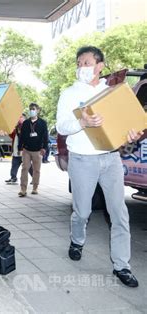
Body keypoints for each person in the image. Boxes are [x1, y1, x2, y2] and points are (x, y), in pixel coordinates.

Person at [56, 46, 143, 287]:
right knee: (82, 212)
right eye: (79, 63)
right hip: (82, 159)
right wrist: (82, 121)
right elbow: (61, 127)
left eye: (86, 62)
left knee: (119, 214)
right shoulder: (69, 93)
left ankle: (121, 265)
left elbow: (127, 127)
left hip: (111, 158)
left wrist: (132, 135)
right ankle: (77, 239)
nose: (82, 67)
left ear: (100, 66)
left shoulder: (112, 94)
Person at [18, 103, 48, 197]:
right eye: (30, 109)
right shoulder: (26, 123)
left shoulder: (42, 123)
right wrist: (20, 148)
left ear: (38, 110)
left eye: (34, 109)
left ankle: (35, 188)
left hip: (38, 150)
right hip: (26, 149)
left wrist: (44, 148)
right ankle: (23, 189)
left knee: (36, 170)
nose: (32, 111)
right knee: (24, 168)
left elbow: (45, 137)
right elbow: (22, 136)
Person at [5, 114, 33, 184]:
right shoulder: (16, 128)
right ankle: (13, 178)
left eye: (20, 117)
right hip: (16, 151)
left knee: (28, 166)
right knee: (14, 165)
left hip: (24, 151)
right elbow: (11, 135)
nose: (19, 119)